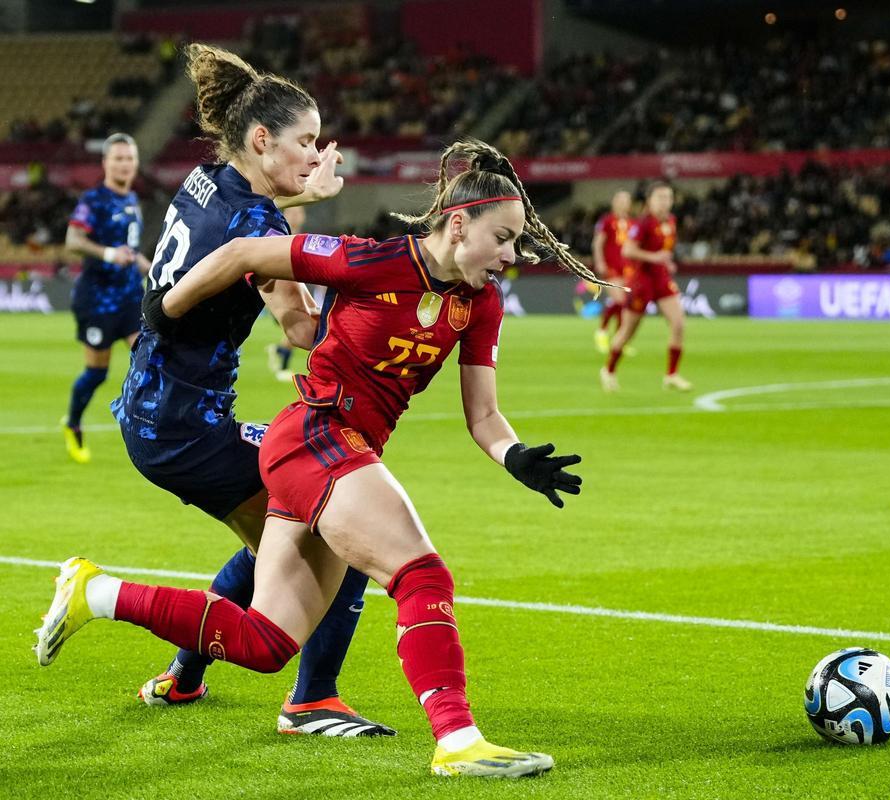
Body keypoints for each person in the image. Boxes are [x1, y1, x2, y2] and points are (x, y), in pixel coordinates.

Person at [37, 139, 598, 777]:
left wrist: (516, 456)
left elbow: (484, 417)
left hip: (335, 451)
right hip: (315, 435)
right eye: (503, 238)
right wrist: (165, 307)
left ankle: (96, 592)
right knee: (422, 574)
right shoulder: (369, 261)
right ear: (459, 222)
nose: (509, 256)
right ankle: (457, 739)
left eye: (516, 244)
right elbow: (247, 252)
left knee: (265, 641)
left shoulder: (480, 304)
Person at [107, 43, 391, 737]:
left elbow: (253, 227)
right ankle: (312, 699)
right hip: (185, 428)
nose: (316, 154)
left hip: (158, 414)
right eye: (306, 141)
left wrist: (299, 198)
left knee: (282, 525)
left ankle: (184, 678)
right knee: (340, 522)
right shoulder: (258, 224)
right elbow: (298, 326)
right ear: (262, 138)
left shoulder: (206, 179)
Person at [62, 133, 152, 464]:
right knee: (97, 373)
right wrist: (108, 254)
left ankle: (142, 428)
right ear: (106, 163)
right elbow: (73, 239)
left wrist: (149, 266)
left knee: (146, 361)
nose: (125, 164)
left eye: (130, 158)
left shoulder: (132, 201)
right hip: (97, 301)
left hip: (131, 299)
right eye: (118, 158)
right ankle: (73, 424)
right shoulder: (94, 200)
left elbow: (130, 249)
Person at [600, 181, 691, 392]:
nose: (664, 202)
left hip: (661, 278)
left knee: (678, 324)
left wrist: (666, 262)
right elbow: (628, 251)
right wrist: (655, 257)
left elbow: (664, 250)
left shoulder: (671, 221)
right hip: (641, 281)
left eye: (668, 197)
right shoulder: (643, 224)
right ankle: (609, 370)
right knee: (628, 331)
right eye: (659, 198)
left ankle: (671, 375)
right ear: (650, 201)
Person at [265, 205, 309, 381]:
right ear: (284, 215)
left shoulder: (302, 238)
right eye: (292, 213)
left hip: (295, 288)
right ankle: (282, 365)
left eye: (299, 213)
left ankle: (280, 357)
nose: (296, 216)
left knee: (298, 329)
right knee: (299, 328)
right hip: (277, 289)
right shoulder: (277, 235)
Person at [590, 189, 631, 353]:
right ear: (614, 202)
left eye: (626, 200)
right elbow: (598, 243)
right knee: (621, 301)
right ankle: (602, 331)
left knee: (623, 304)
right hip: (610, 268)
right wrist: (599, 261)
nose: (623, 203)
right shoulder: (607, 221)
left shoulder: (631, 223)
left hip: (627, 270)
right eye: (621, 200)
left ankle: (619, 340)